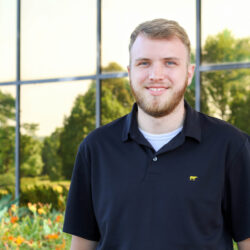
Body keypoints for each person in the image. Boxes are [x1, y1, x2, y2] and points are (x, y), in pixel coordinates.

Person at [63, 19, 250, 250]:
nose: (156, 75)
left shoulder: (232, 146)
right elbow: (82, 244)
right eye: (144, 63)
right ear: (130, 72)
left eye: (170, 63)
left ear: (189, 73)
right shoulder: (95, 148)